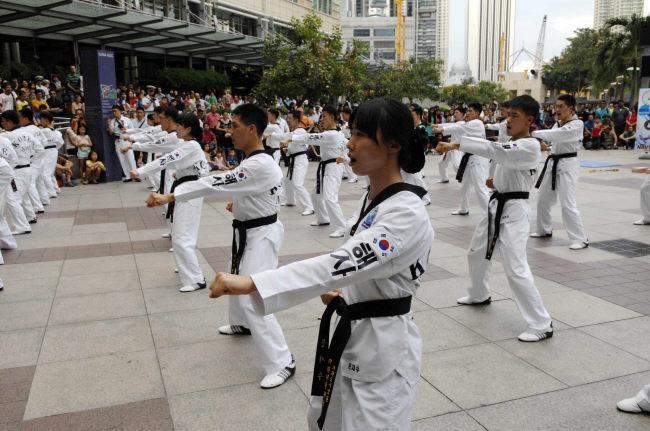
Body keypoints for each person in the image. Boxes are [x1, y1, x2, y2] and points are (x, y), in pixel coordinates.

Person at [206, 97, 432, 430]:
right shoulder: (375, 199)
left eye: (360, 135)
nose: (350, 143)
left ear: (393, 144)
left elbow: (341, 261)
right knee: (327, 420)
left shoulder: (406, 212)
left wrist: (255, 282)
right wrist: (346, 293)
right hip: (355, 333)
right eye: (350, 132)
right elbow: (366, 268)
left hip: (385, 348)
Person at [145, 103, 295, 389]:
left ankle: (283, 360)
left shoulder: (258, 163)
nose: (229, 132)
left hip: (261, 236)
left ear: (252, 129)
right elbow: (256, 189)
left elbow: (218, 181)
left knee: (254, 293)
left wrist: (171, 197)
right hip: (249, 230)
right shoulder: (252, 159)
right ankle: (241, 324)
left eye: (234, 126)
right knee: (236, 276)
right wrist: (239, 203)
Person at [437, 95, 553, 342]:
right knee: (476, 252)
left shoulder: (530, 144)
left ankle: (542, 323)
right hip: (497, 203)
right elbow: (504, 161)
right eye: (507, 114)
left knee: (515, 265)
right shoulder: (512, 142)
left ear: (529, 120)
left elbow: (496, 151)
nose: (508, 120)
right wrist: (495, 181)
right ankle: (479, 293)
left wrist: (455, 145)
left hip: (515, 210)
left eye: (514, 116)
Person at [129, 113, 209, 292]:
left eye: (179, 125)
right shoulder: (189, 145)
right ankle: (187, 268)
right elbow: (191, 166)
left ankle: (196, 279)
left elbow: (166, 160)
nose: (177, 128)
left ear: (188, 128)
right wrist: (179, 174)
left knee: (182, 235)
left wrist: (140, 171)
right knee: (183, 233)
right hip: (186, 189)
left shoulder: (191, 145)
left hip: (190, 191)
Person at [530, 94, 589, 250]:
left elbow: (559, 136)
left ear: (571, 108)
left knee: (567, 202)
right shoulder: (557, 124)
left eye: (561, 106)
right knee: (543, 198)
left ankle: (580, 239)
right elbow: (555, 142)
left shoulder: (577, 124)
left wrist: (534, 133)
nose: (557, 110)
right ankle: (544, 229)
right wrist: (546, 147)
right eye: (556, 106)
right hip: (552, 162)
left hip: (568, 164)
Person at [283, 106, 347, 238]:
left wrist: (291, 139)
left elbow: (310, 137)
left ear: (333, 117)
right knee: (315, 195)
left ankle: (341, 227)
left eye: (325, 116)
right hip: (326, 166)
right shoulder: (336, 134)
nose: (322, 119)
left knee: (330, 197)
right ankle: (323, 218)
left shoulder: (332, 134)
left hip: (333, 167)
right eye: (321, 116)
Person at [433, 102, 490, 216]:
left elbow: (459, 127)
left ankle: (491, 214)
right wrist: (441, 127)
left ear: (477, 113)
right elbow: (458, 125)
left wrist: (441, 128)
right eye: (467, 111)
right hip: (468, 158)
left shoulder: (477, 123)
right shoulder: (468, 123)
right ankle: (464, 208)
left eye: (470, 111)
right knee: (465, 185)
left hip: (478, 160)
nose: (468, 113)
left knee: (480, 188)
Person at [272, 110, 314, 216]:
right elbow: (290, 143)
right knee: (288, 182)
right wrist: (287, 150)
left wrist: (272, 135)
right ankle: (291, 200)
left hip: (300, 160)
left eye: (290, 118)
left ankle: (310, 206)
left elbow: (286, 137)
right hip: (294, 160)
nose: (288, 120)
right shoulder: (294, 132)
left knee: (297, 183)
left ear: (296, 120)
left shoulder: (300, 131)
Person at [107, 105, 136, 182]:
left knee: (130, 158)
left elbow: (133, 130)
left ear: (120, 111)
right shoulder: (112, 121)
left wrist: (128, 133)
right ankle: (128, 176)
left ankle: (135, 175)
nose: (114, 113)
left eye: (115, 111)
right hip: (118, 140)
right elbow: (111, 133)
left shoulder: (127, 120)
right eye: (113, 111)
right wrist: (109, 124)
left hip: (126, 140)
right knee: (122, 159)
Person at [437, 107, 466, 184]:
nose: (455, 114)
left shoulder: (462, 123)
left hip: (457, 147)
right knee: (442, 163)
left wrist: (438, 126)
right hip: (450, 146)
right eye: (454, 112)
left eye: (457, 112)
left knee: (457, 165)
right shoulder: (456, 123)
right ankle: (444, 178)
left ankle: (466, 178)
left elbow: (449, 125)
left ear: (463, 114)